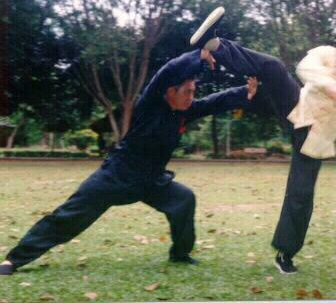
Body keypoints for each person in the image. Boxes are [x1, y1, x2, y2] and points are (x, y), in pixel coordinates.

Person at [190, 7, 336, 274]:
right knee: (272, 66)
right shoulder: (324, 55)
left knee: (301, 193)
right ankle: (214, 44)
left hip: (316, 137)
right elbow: (304, 68)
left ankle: (285, 254)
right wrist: (332, 86)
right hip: (297, 110)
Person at [0, 30, 259, 275]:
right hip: (116, 176)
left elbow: (213, 103)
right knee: (69, 216)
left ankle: (180, 254)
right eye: (188, 91)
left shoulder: (185, 110)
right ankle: (14, 259)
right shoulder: (149, 105)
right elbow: (166, 72)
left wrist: (242, 93)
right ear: (170, 91)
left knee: (183, 199)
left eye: (194, 91)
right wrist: (198, 55)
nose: (192, 97)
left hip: (152, 180)